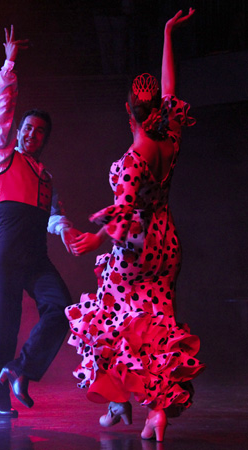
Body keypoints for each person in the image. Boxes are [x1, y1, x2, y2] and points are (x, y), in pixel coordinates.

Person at [65, 9, 205, 442]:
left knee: (113, 319)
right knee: (157, 320)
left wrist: (95, 239)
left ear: (127, 111)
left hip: (138, 246)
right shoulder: (169, 139)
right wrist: (166, 34)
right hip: (167, 239)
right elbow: (170, 90)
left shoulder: (131, 161)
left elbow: (124, 213)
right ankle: (155, 413)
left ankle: (118, 402)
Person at [0, 26, 80, 419]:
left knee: (63, 309)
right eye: (27, 128)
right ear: (18, 131)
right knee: (2, 327)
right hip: (9, 251)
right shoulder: (2, 155)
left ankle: (21, 369)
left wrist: (66, 228)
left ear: (46, 139)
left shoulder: (46, 175)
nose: (32, 134)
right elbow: (1, 111)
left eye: (40, 132)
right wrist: (9, 63)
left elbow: (52, 214)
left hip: (36, 255)